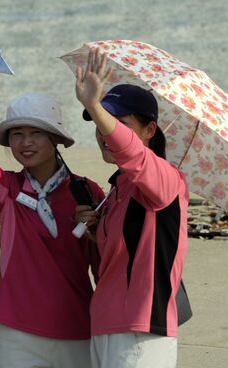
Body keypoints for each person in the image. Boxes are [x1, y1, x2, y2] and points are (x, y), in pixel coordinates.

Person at [0, 86, 105, 368]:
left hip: (75, 325)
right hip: (16, 329)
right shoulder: (8, 188)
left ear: (56, 137)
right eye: (17, 134)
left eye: (36, 133)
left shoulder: (88, 193)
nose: (25, 142)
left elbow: (104, 263)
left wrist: (95, 233)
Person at [73, 49, 189, 368]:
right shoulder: (116, 188)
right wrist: (94, 230)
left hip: (142, 330)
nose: (104, 133)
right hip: (104, 325)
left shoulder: (166, 178)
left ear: (149, 130)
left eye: (117, 123)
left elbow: (133, 154)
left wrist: (94, 106)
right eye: (99, 124)